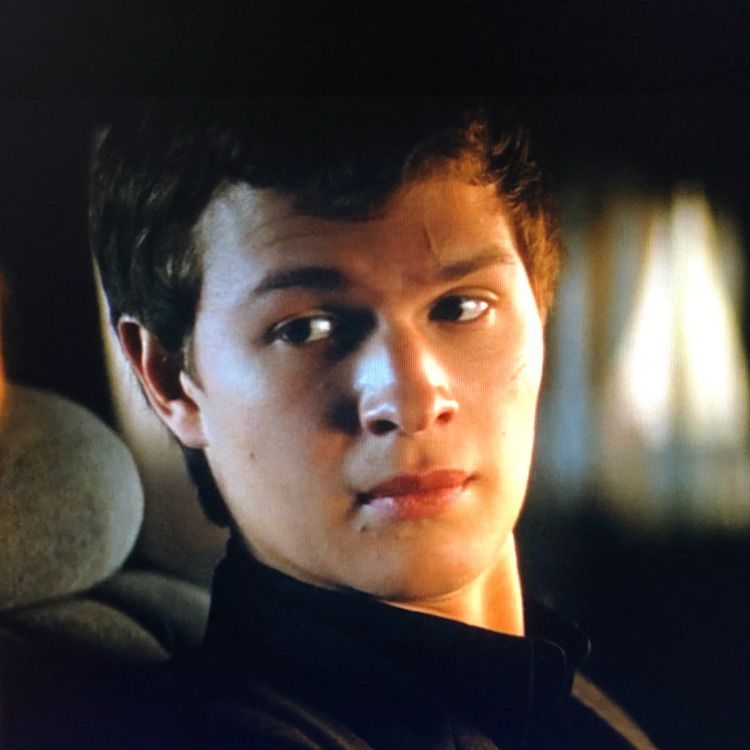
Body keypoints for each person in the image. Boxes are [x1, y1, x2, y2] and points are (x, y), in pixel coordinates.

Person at [85, 98, 655, 749]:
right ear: (169, 380)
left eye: (461, 307)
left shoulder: (577, 702)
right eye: (306, 328)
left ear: (540, 312)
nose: (411, 401)